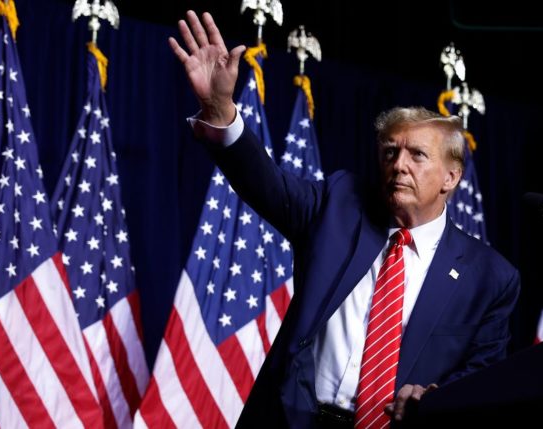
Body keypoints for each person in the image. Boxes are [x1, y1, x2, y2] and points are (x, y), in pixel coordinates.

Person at [170, 11, 520, 429]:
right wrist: (221, 109)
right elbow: (267, 185)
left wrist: (435, 397)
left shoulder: (490, 277)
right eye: (391, 152)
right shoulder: (340, 204)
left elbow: (482, 376)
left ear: (451, 176)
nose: (399, 165)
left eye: (417, 155)